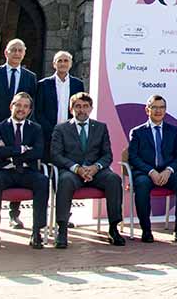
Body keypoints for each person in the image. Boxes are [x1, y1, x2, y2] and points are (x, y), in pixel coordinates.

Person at [51, 92, 124, 247]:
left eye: (85, 106)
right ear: (71, 109)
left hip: (95, 171)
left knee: (114, 179)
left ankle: (113, 228)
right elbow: (56, 155)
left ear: (91, 108)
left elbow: (107, 155)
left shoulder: (100, 127)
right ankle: (62, 230)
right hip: (72, 172)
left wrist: (95, 167)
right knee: (64, 181)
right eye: (78, 106)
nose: (81, 110)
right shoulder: (61, 129)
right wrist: (76, 168)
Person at [0, 38, 38, 228]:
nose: (16, 53)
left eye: (20, 50)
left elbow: (32, 105)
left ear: (24, 53)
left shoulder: (30, 77)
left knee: (19, 165)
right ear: (6, 53)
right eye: (13, 50)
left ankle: (15, 214)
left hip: (20, 128)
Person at [0, 91, 49, 250]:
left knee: (43, 181)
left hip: (27, 172)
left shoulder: (36, 128)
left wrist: (11, 153)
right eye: (18, 105)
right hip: (4, 171)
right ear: (11, 106)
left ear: (30, 110)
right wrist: (22, 149)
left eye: (26, 106)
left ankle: (36, 232)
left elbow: (38, 152)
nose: (21, 109)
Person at [127, 94, 177, 243]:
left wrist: (168, 170)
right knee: (142, 185)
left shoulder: (174, 131)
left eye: (162, 107)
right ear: (147, 110)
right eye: (154, 107)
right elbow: (133, 158)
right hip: (146, 173)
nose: (158, 111)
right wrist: (151, 172)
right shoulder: (137, 132)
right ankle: (146, 230)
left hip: (169, 172)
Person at [36, 50, 85, 163]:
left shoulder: (77, 84)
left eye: (66, 61)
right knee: (49, 164)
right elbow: (38, 111)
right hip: (49, 133)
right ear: (54, 64)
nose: (63, 64)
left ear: (70, 64)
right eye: (59, 61)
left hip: (71, 133)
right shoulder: (43, 84)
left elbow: (81, 109)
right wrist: (51, 130)